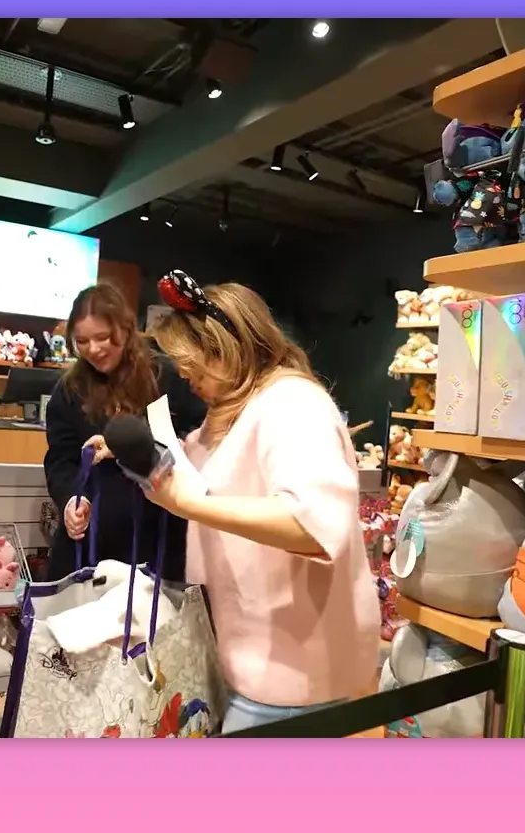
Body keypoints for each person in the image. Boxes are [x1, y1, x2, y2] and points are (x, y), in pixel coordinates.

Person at [102, 269, 379, 735]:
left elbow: (311, 525)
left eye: (193, 362)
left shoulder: (293, 405)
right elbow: (197, 462)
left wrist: (189, 505)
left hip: (292, 673)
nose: (184, 374)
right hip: (247, 659)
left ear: (227, 349)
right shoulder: (233, 412)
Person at [42, 282, 205, 582]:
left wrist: (131, 446)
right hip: (92, 538)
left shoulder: (165, 376)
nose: (94, 349)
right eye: (82, 341)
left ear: (126, 329)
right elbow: (60, 460)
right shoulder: (69, 390)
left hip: (157, 532)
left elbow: (196, 438)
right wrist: (69, 501)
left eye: (103, 337)